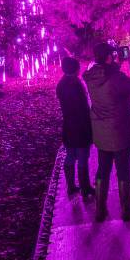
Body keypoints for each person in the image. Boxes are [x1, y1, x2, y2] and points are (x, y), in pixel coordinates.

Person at [83, 43, 130, 222]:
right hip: (120, 131)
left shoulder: (91, 77)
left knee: (102, 170)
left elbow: (107, 74)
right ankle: (126, 210)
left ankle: (100, 210)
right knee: (123, 170)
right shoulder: (116, 78)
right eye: (113, 54)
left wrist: (115, 64)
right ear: (108, 57)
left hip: (102, 133)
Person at [56, 57, 95, 198]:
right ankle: (85, 188)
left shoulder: (60, 85)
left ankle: (71, 186)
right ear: (76, 69)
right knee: (83, 157)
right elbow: (83, 107)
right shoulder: (76, 84)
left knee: (70, 156)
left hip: (68, 125)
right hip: (81, 126)